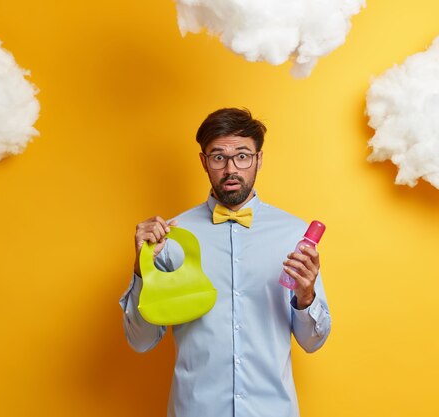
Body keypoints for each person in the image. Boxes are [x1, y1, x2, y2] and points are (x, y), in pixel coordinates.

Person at [120, 108, 331, 417]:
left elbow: (312, 341)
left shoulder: (294, 235)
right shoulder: (172, 237)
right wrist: (142, 268)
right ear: (204, 161)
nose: (231, 168)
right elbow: (141, 340)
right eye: (219, 157)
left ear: (259, 159)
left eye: (243, 156)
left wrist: (306, 296)